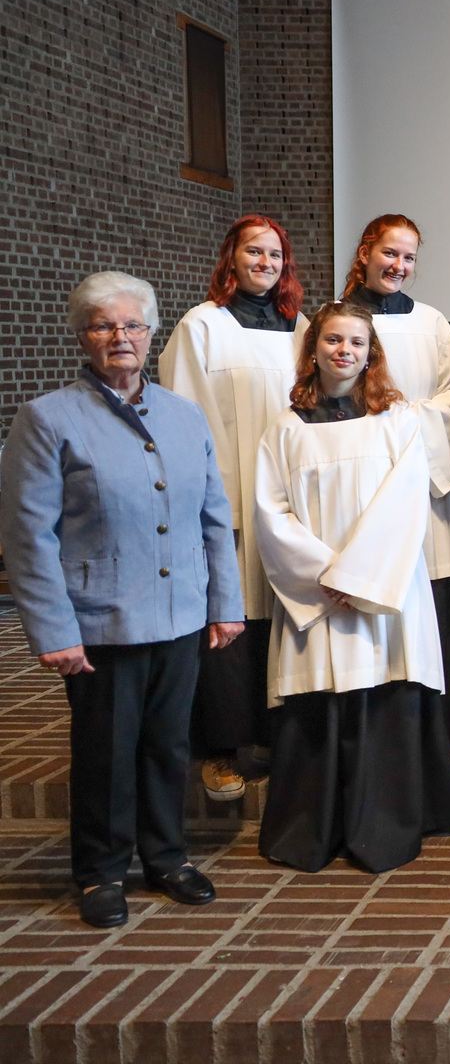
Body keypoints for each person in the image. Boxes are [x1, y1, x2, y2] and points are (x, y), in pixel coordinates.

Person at [0, 271, 243, 928]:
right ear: (82, 336)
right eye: (104, 325)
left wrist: (225, 603)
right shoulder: (48, 419)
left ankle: (166, 856)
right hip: (101, 621)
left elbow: (213, 516)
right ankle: (101, 871)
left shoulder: (184, 415)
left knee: (168, 746)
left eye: (133, 324)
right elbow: (28, 537)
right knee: (106, 753)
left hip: (181, 615)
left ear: (150, 332)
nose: (121, 336)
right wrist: (54, 630)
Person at [254, 303, 450, 872]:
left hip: (383, 588)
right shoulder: (285, 429)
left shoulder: (396, 419)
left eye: (356, 342)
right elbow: (270, 513)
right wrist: (326, 575)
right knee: (321, 696)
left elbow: (406, 501)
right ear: (313, 349)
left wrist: (357, 575)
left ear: (371, 353)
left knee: (387, 685)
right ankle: (315, 828)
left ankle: (386, 823)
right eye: (333, 340)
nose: (344, 351)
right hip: (318, 592)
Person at [158, 215, 307, 802]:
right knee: (230, 619)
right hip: (232, 495)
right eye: (254, 252)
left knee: (287, 615)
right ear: (232, 258)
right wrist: (213, 500)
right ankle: (221, 749)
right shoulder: (202, 326)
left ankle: (281, 737)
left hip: (293, 496)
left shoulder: (301, 327)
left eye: (275, 254)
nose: (265, 263)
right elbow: (184, 417)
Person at [340, 215, 450, 746]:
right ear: (366, 252)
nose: (399, 266)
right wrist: (377, 431)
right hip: (367, 479)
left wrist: (404, 422)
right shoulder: (335, 319)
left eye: (408, 257)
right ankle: (389, 717)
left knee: (438, 580)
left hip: (428, 481)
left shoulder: (431, 322)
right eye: (390, 253)